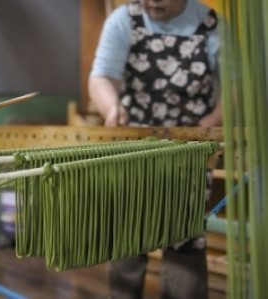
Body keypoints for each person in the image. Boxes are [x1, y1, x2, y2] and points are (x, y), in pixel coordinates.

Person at [88, 0, 222, 298]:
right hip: (133, 149)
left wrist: (213, 121)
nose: (152, 1)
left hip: (189, 152)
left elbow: (235, 88)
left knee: (184, 243)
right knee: (126, 241)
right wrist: (111, 109)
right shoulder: (124, 20)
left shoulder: (213, 24)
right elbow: (101, 77)